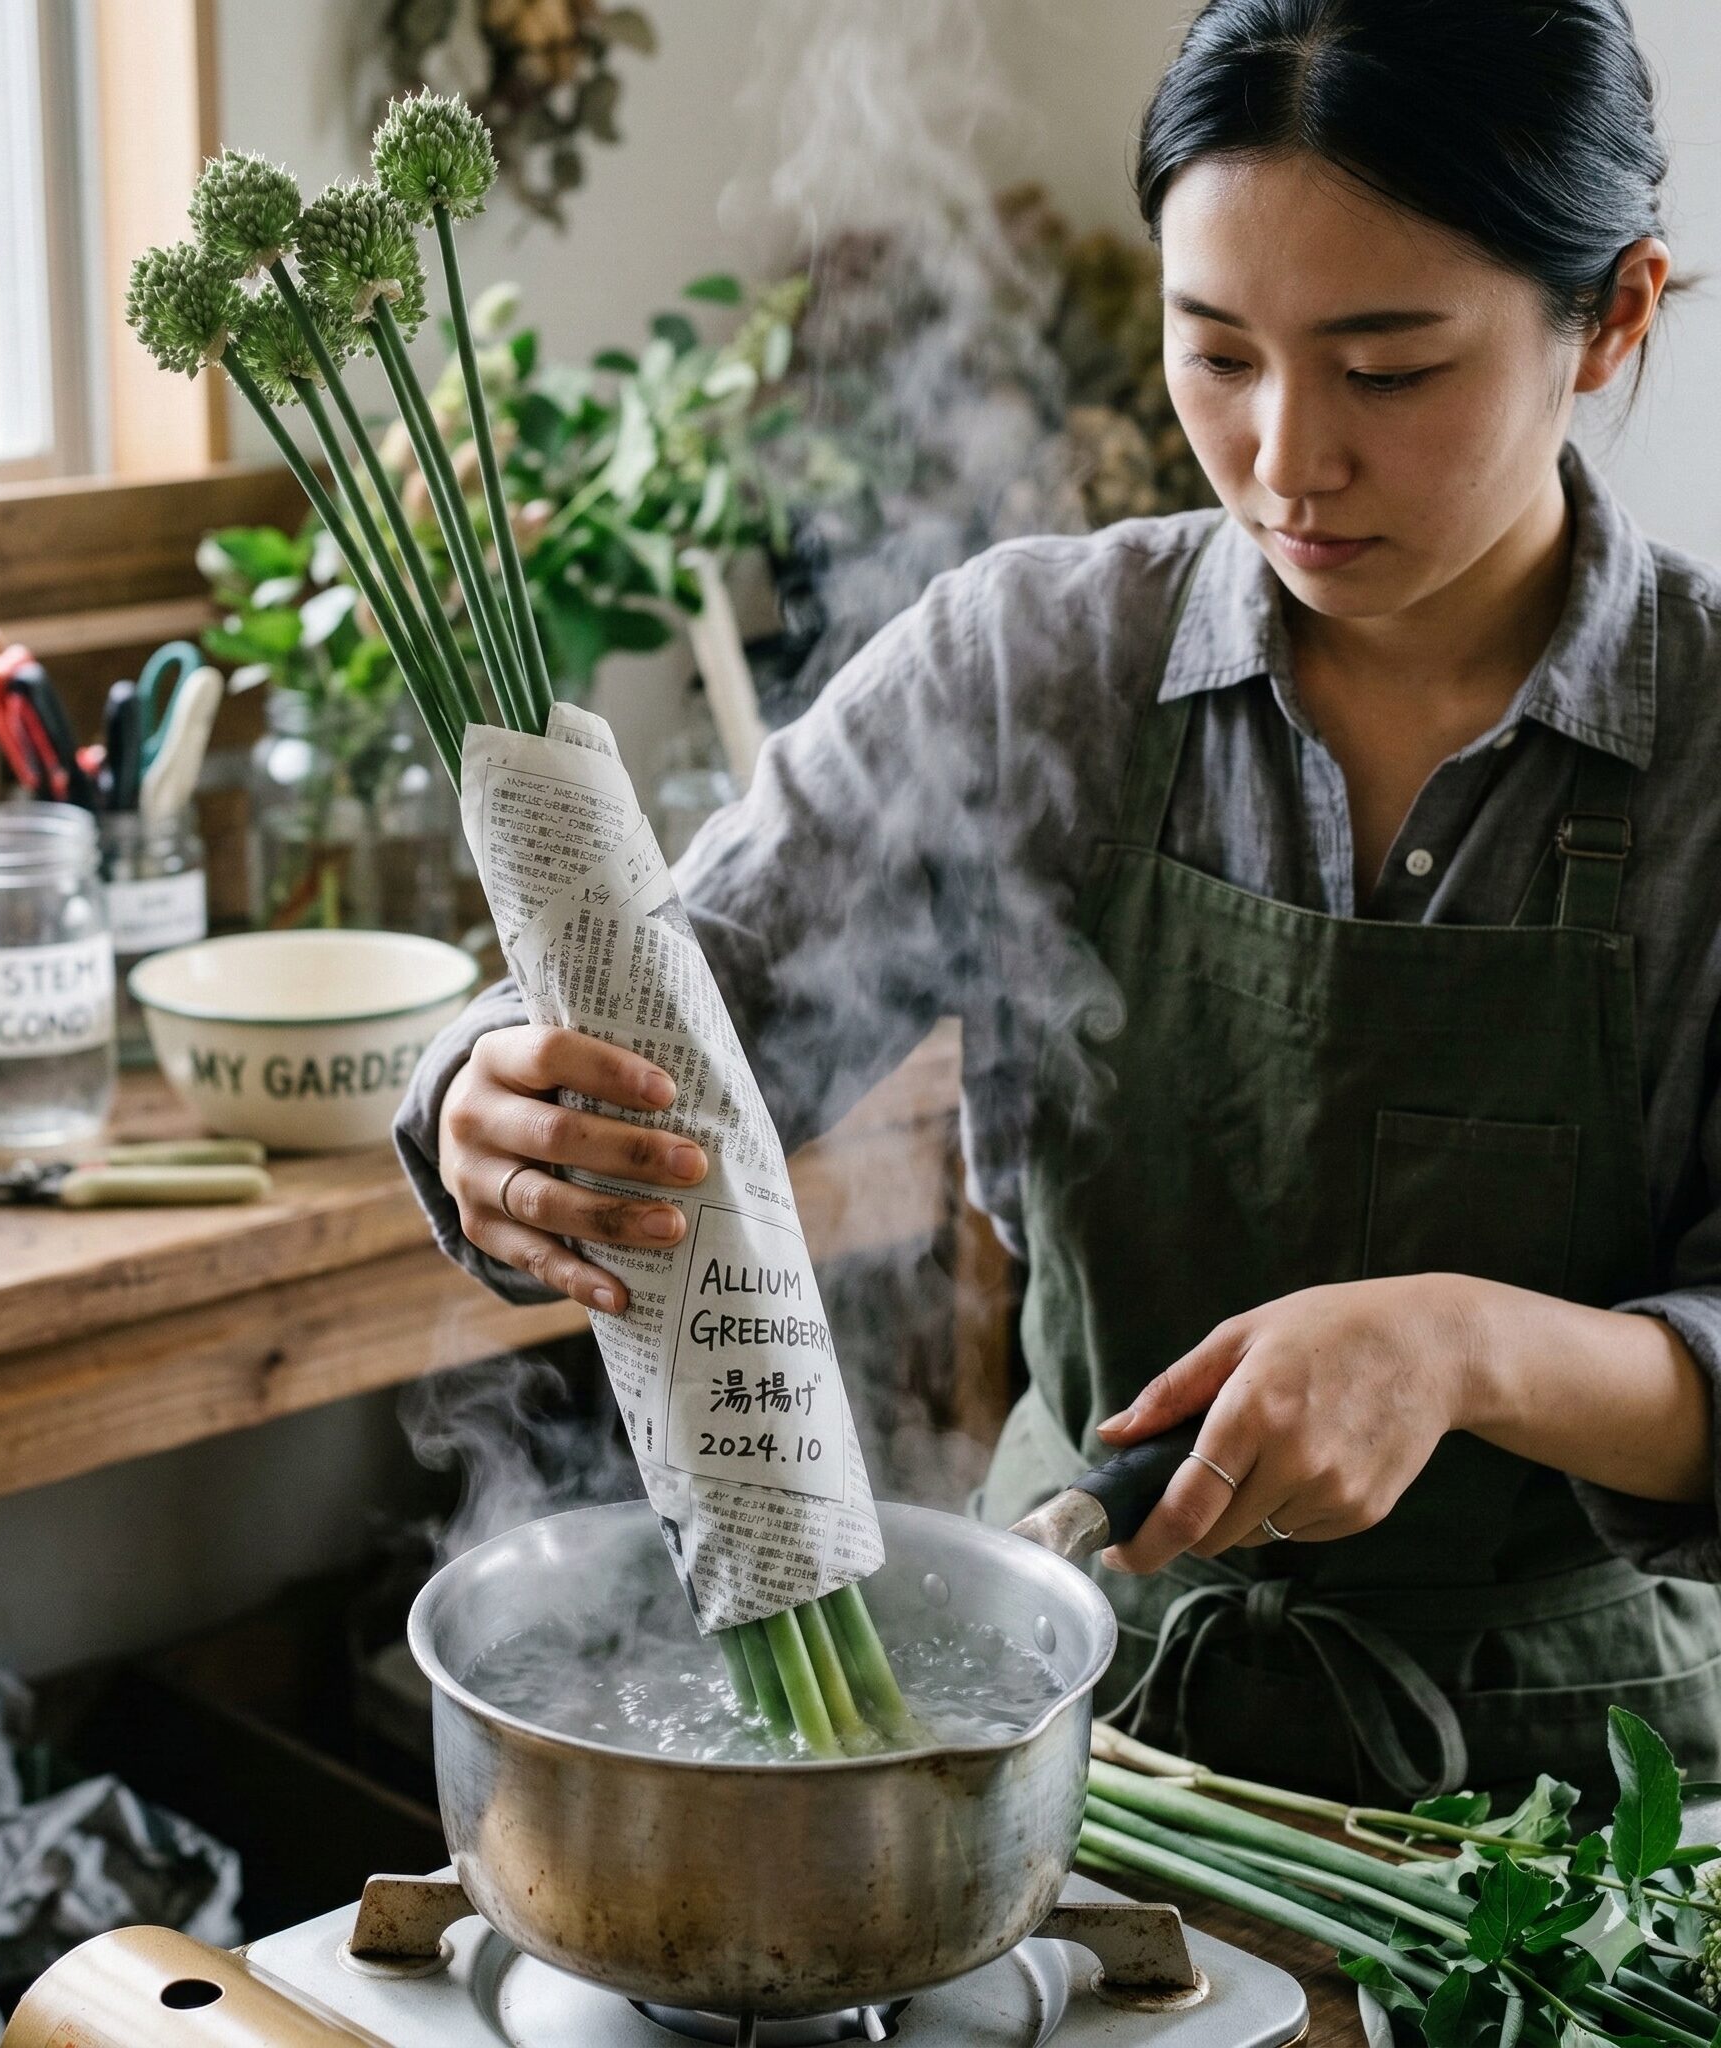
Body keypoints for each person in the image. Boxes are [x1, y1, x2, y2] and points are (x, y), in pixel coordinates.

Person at [395, 0, 1721, 1804]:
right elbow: (677, 1019)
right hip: (1079, 1728)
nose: (1284, 459)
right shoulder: (1030, 665)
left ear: (1616, 315)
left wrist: (1470, 1347)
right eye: (1217, 352)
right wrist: (498, 1101)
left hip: (1588, 1802)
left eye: (1388, 370)